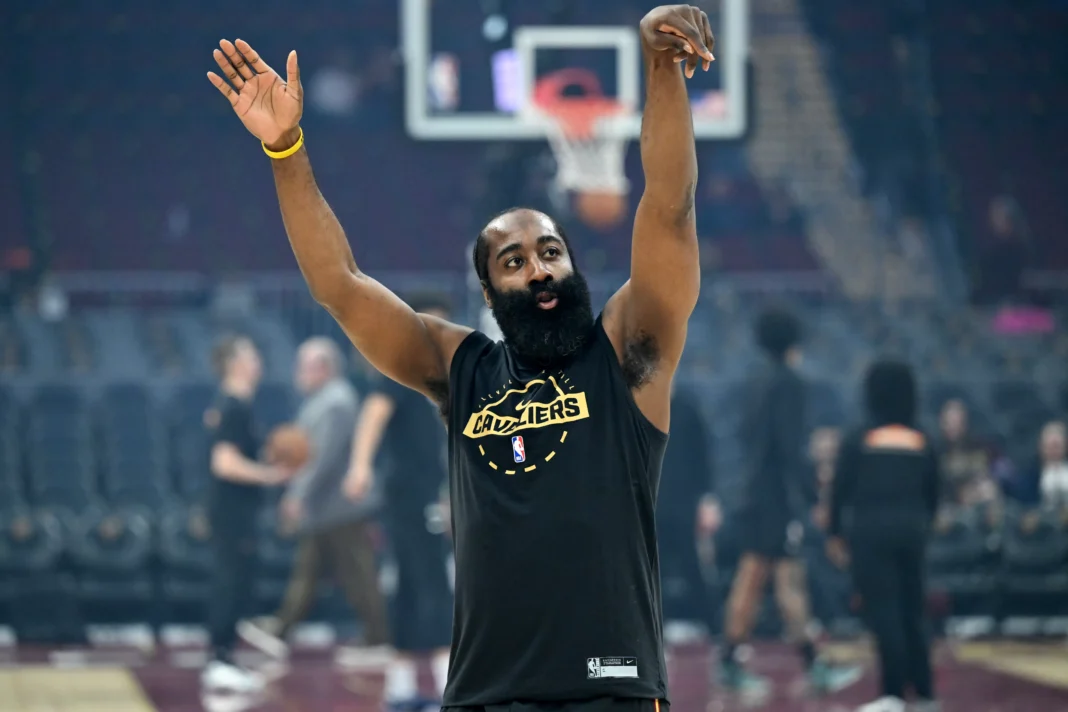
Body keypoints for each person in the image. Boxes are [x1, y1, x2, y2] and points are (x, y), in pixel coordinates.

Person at [207, 6, 712, 710]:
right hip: (483, 694)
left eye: (550, 251)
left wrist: (660, 67)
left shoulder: (626, 353)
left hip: (610, 689)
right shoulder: (463, 369)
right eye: (514, 261)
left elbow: (669, 209)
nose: (538, 268)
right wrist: (286, 149)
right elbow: (340, 285)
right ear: (488, 291)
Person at [719, 309, 860, 697]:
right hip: (777, 497)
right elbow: (790, 447)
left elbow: (748, 438)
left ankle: (801, 662)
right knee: (772, 579)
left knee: (768, 577)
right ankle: (798, 664)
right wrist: (813, 495)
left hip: (755, 492)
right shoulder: (791, 383)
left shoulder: (753, 382)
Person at [238, 337, 390, 663]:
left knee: (356, 573)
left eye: (304, 366)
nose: (298, 373)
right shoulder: (322, 400)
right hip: (327, 508)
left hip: (342, 506)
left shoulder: (335, 402)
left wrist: (297, 495)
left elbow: (321, 458)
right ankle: (282, 629)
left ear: (323, 368)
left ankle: (378, 637)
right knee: (310, 572)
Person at [343, 294, 455, 710]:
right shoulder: (402, 367)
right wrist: (359, 466)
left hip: (420, 494)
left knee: (408, 586)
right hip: (410, 495)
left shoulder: (438, 376)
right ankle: (449, 685)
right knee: (433, 584)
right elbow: (373, 413)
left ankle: (401, 686)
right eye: (430, 322)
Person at [828, 360, 940, 712]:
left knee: (885, 613)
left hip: (871, 535)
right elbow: (934, 493)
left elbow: (839, 490)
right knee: (913, 612)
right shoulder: (921, 438)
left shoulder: (860, 437)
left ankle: (893, 694)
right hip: (913, 533)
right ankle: (925, 694)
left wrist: (834, 533)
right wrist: (923, 527)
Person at [201, 335, 291, 692]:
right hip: (231, 511)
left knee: (238, 582)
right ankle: (218, 659)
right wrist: (270, 474)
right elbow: (224, 463)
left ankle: (225, 656)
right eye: (251, 355)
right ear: (234, 363)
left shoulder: (235, 405)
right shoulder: (233, 406)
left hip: (236, 510)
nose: (258, 362)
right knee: (229, 582)